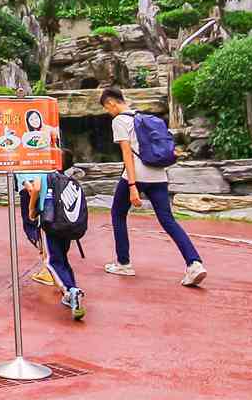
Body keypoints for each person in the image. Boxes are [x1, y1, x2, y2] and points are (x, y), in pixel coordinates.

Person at [99, 87, 206, 287]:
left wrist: (132, 186)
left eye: (107, 108)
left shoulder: (120, 121)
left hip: (136, 175)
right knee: (168, 220)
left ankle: (124, 263)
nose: (108, 112)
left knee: (117, 214)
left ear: (111, 103)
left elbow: (127, 155)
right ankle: (194, 263)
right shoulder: (143, 117)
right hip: (158, 175)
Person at [20, 157, 88, 321]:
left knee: (51, 261)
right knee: (62, 259)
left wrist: (31, 211)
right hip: (65, 224)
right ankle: (71, 291)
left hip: (49, 223)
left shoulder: (42, 171)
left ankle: (70, 291)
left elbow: (35, 188)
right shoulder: (64, 177)